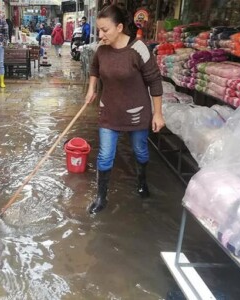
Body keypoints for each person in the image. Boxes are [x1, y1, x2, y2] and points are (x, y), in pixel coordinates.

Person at [85, 4, 165, 214]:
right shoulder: (101, 49)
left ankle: (142, 180)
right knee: (104, 155)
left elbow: (155, 81)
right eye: (99, 30)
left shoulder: (138, 48)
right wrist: (92, 88)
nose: (101, 35)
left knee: (139, 150)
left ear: (119, 27)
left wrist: (158, 113)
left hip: (137, 111)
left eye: (105, 30)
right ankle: (101, 197)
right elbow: (94, 68)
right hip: (110, 110)